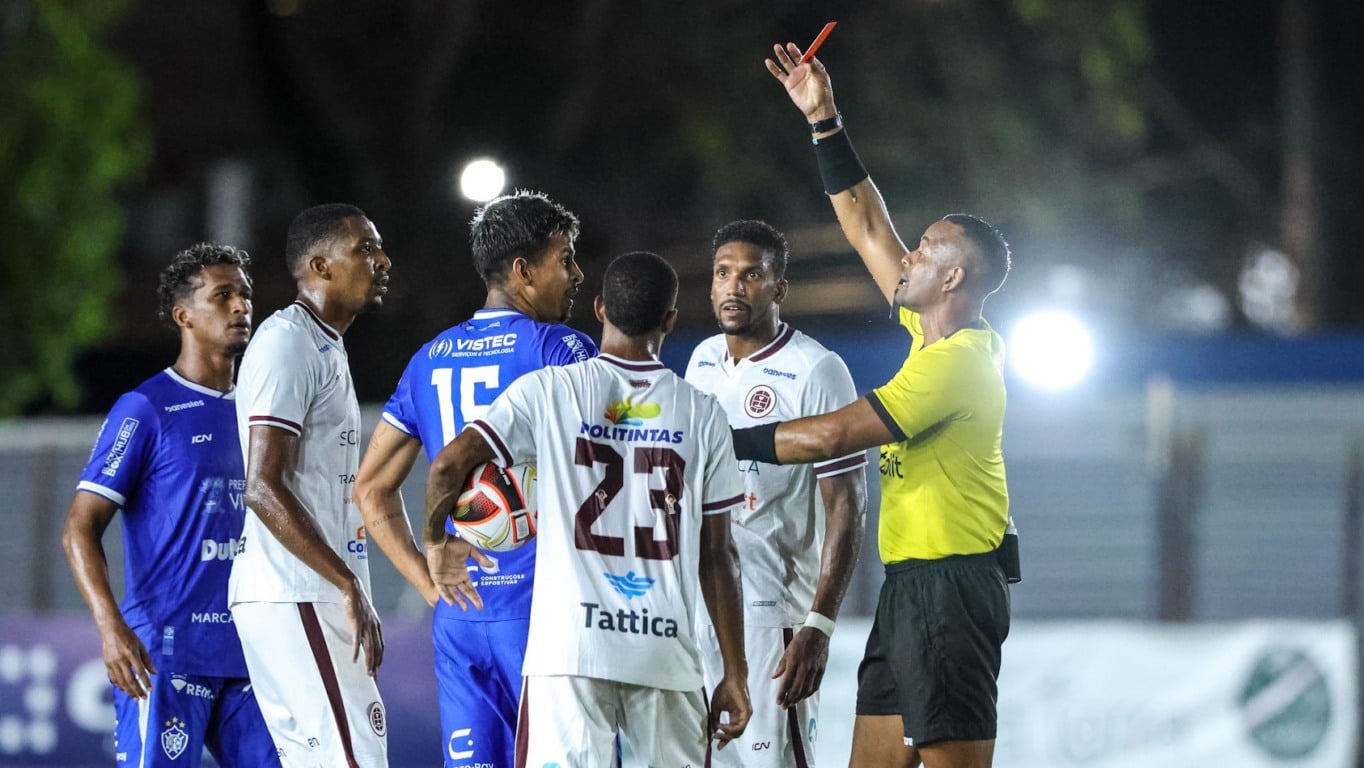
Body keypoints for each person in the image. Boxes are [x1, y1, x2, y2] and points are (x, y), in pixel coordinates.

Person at [736, 42, 1017, 768]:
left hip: (953, 586)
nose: (909, 255)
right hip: (911, 586)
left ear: (953, 276)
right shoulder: (927, 329)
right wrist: (823, 118)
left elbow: (832, 434)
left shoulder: (958, 366)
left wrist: (715, 434)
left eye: (924, 250)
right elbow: (864, 224)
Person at [423, 251, 751, 766]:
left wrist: (437, 543)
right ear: (670, 320)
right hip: (664, 653)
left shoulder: (548, 391)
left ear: (599, 309)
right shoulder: (702, 413)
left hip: (568, 654)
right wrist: (735, 673)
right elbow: (719, 555)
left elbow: (446, 466)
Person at [353, 190, 597, 767]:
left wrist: (429, 581)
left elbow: (369, 489)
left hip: (461, 620)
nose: (577, 275)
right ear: (523, 270)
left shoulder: (429, 358)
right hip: (545, 616)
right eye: (565, 259)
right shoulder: (560, 350)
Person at [61, 244, 279, 767]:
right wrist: (113, 630)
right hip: (165, 653)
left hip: (253, 652)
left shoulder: (265, 409)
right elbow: (79, 529)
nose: (240, 306)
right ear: (184, 316)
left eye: (245, 294)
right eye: (222, 295)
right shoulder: (146, 408)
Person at [684, 219, 867, 767]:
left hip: (772, 614)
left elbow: (846, 502)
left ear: (779, 289)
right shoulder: (700, 361)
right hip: (700, 607)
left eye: (751, 274)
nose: (734, 287)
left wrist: (819, 624)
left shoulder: (817, 369)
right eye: (722, 274)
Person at [229, 203, 392, 767]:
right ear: (320, 266)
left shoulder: (323, 344)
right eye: (365, 249)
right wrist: (347, 584)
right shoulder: (288, 342)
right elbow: (261, 485)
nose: (382, 260)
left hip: (298, 589)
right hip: (297, 589)